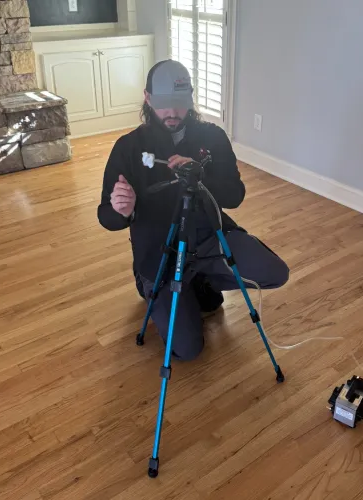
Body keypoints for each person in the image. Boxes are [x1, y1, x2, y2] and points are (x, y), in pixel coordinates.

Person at [98, 59, 289, 361]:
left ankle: (201, 279)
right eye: (163, 105)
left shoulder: (211, 137)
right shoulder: (129, 148)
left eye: (179, 104)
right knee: (188, 349)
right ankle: (151, 285)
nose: (172, 114)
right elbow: (105, 216)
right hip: (160, 255)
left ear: (190, 98)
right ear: (148, 98)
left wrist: (203, 178)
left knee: (275, 272)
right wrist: (123, 210)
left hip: (210, 240)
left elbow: (235, 195)